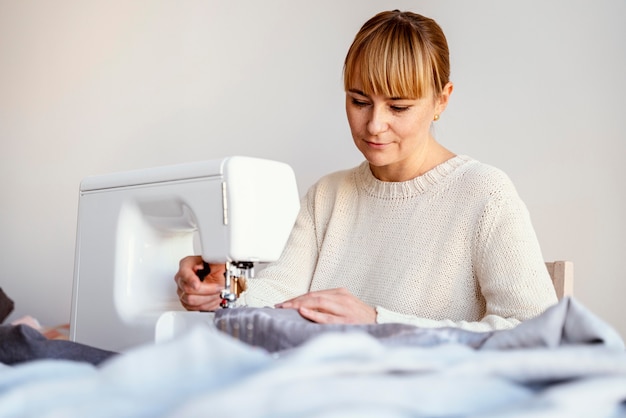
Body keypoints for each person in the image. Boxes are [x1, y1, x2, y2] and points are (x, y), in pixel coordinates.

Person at [174, 10, 558, 332]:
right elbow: (277, 295)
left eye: (399, 107)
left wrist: (378, 323)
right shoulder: (327, 196)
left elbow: (538, 332)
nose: (374, 125)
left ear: (441, 100)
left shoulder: (485, 194)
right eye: (359, 101)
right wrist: (226, 288)